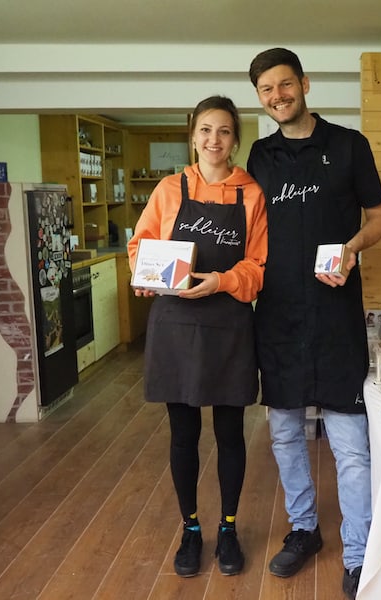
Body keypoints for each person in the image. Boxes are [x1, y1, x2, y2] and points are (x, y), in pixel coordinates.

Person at [247, 47, 381, 600]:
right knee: (284, 434)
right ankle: (305, 530)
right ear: (260, 97)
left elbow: (380, 215)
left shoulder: (349, 145)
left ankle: (358, 552)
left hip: (335, 317)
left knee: (350, 443)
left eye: (285, 85)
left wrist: (354, 247)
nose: (278, 96)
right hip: (278, 316)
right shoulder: (259, 157)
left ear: (304, 84)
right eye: (266, 90)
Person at [127, 95, 268, 578]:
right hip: (175, 324)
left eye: (224, 131)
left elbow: (257, 265)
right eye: (206, 130)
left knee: (230, 432)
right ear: (193, 135)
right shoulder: (169, 189)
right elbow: (141, 244)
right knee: (183, 433)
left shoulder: (252, 193)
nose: (214, 140)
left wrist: (222, 280)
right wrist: (144, 273)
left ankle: (228, 527)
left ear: (235, 139)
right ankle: (191, 528)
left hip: (228, 322)